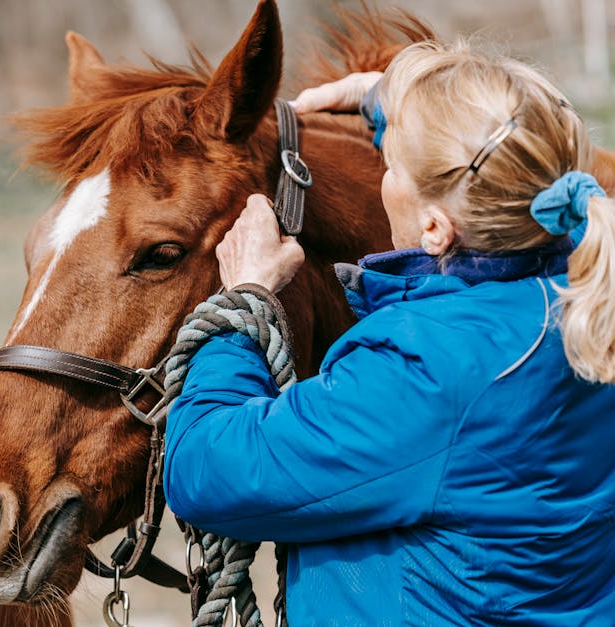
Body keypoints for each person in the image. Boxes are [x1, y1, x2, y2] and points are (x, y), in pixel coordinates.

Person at [162, 39, 615, 625]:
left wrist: (245, 299)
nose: (386, 174)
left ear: (434, 227)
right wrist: (382, 100)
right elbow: (512, 147)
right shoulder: (584, 289)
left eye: (394, 165)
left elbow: (208, 470)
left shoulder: (430, 367)